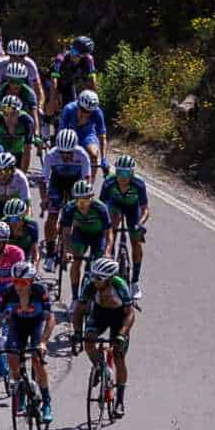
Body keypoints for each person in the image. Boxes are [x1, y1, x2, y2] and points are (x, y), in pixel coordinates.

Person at [76, 257, 140, 407]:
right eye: (92, 276)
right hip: (100, 314)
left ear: (109, 279)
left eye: (99, 278)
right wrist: (77, 332)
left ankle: (120, 400)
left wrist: (122, 334)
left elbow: (130, 314)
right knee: (89, 341)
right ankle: (99, 367)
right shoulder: (90, 285)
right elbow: (79, 310)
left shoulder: (120, 285)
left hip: (119, 317)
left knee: (118, 356)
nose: (94, 280)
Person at [0, 261, 56, 425]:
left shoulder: (39, 291)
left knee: (37, 359)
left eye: (22, 282)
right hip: (17, 324)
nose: (19, 286)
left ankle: (46, 403)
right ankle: (21, 390)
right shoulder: (9, 292)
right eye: (15, 281)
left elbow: (51, 318)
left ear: (30, 282)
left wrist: (44, 342)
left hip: (35, 324)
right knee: (11, 356)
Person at [40, 129, 94, 262]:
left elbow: (86, 181)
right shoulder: (51, 155)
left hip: (75, 183)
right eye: (62, 152)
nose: (65, 156)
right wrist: (44, 199)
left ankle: (72, 239)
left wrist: (85, 200)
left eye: (69, 152)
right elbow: (43, 181)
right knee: (52, 216)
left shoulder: (82, 155)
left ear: (74, 148)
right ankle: (50, 252)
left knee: (78, 211)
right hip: (57, 182)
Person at [98, 155, 151, 280]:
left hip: (133, 208)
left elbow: (145, 209)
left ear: (132, 173)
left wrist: (141, 223)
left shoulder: (139, 184)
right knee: (112, 225)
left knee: (136, 242)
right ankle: (109, 258)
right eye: (119, 172)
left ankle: (135, 281)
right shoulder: (109, 182)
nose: (122, 177)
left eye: (126, 173)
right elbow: (101, 206)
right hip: (115, 206)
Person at [57, 178, 113, 293]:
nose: (82, 205)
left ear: (91, 198)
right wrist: (67, 250)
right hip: (80, 234)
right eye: (78, 201)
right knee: (76, 262)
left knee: (99, 265)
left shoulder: (101, 208)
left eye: (85, 201)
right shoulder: (69, 208)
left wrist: (107, 252)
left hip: (98, 236)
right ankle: (75, 297)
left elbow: (109, 233)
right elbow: (66, 233)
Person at [49, 35, 101, 117]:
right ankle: (46, 121)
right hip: (52, 80)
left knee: (72, 107)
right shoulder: (61, 58)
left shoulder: (89, 60)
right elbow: (54, 80)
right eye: (72, 50)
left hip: (68, 83)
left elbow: (93, 82)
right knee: (51, 102)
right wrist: (53, 99)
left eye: (76, 53)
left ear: (84, 55)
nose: (72, 54)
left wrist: (94, 102)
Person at [63, 87, 109, 167]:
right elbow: (62, 132)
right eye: (84, 110)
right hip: (71, 135)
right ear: (78, 104)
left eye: (89, 112)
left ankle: (91, 179)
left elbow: (102, 137)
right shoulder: (69, 109)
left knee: (94, 155)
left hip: (88, 134)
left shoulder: (97, 112)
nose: (86, 114)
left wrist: (103, 159)